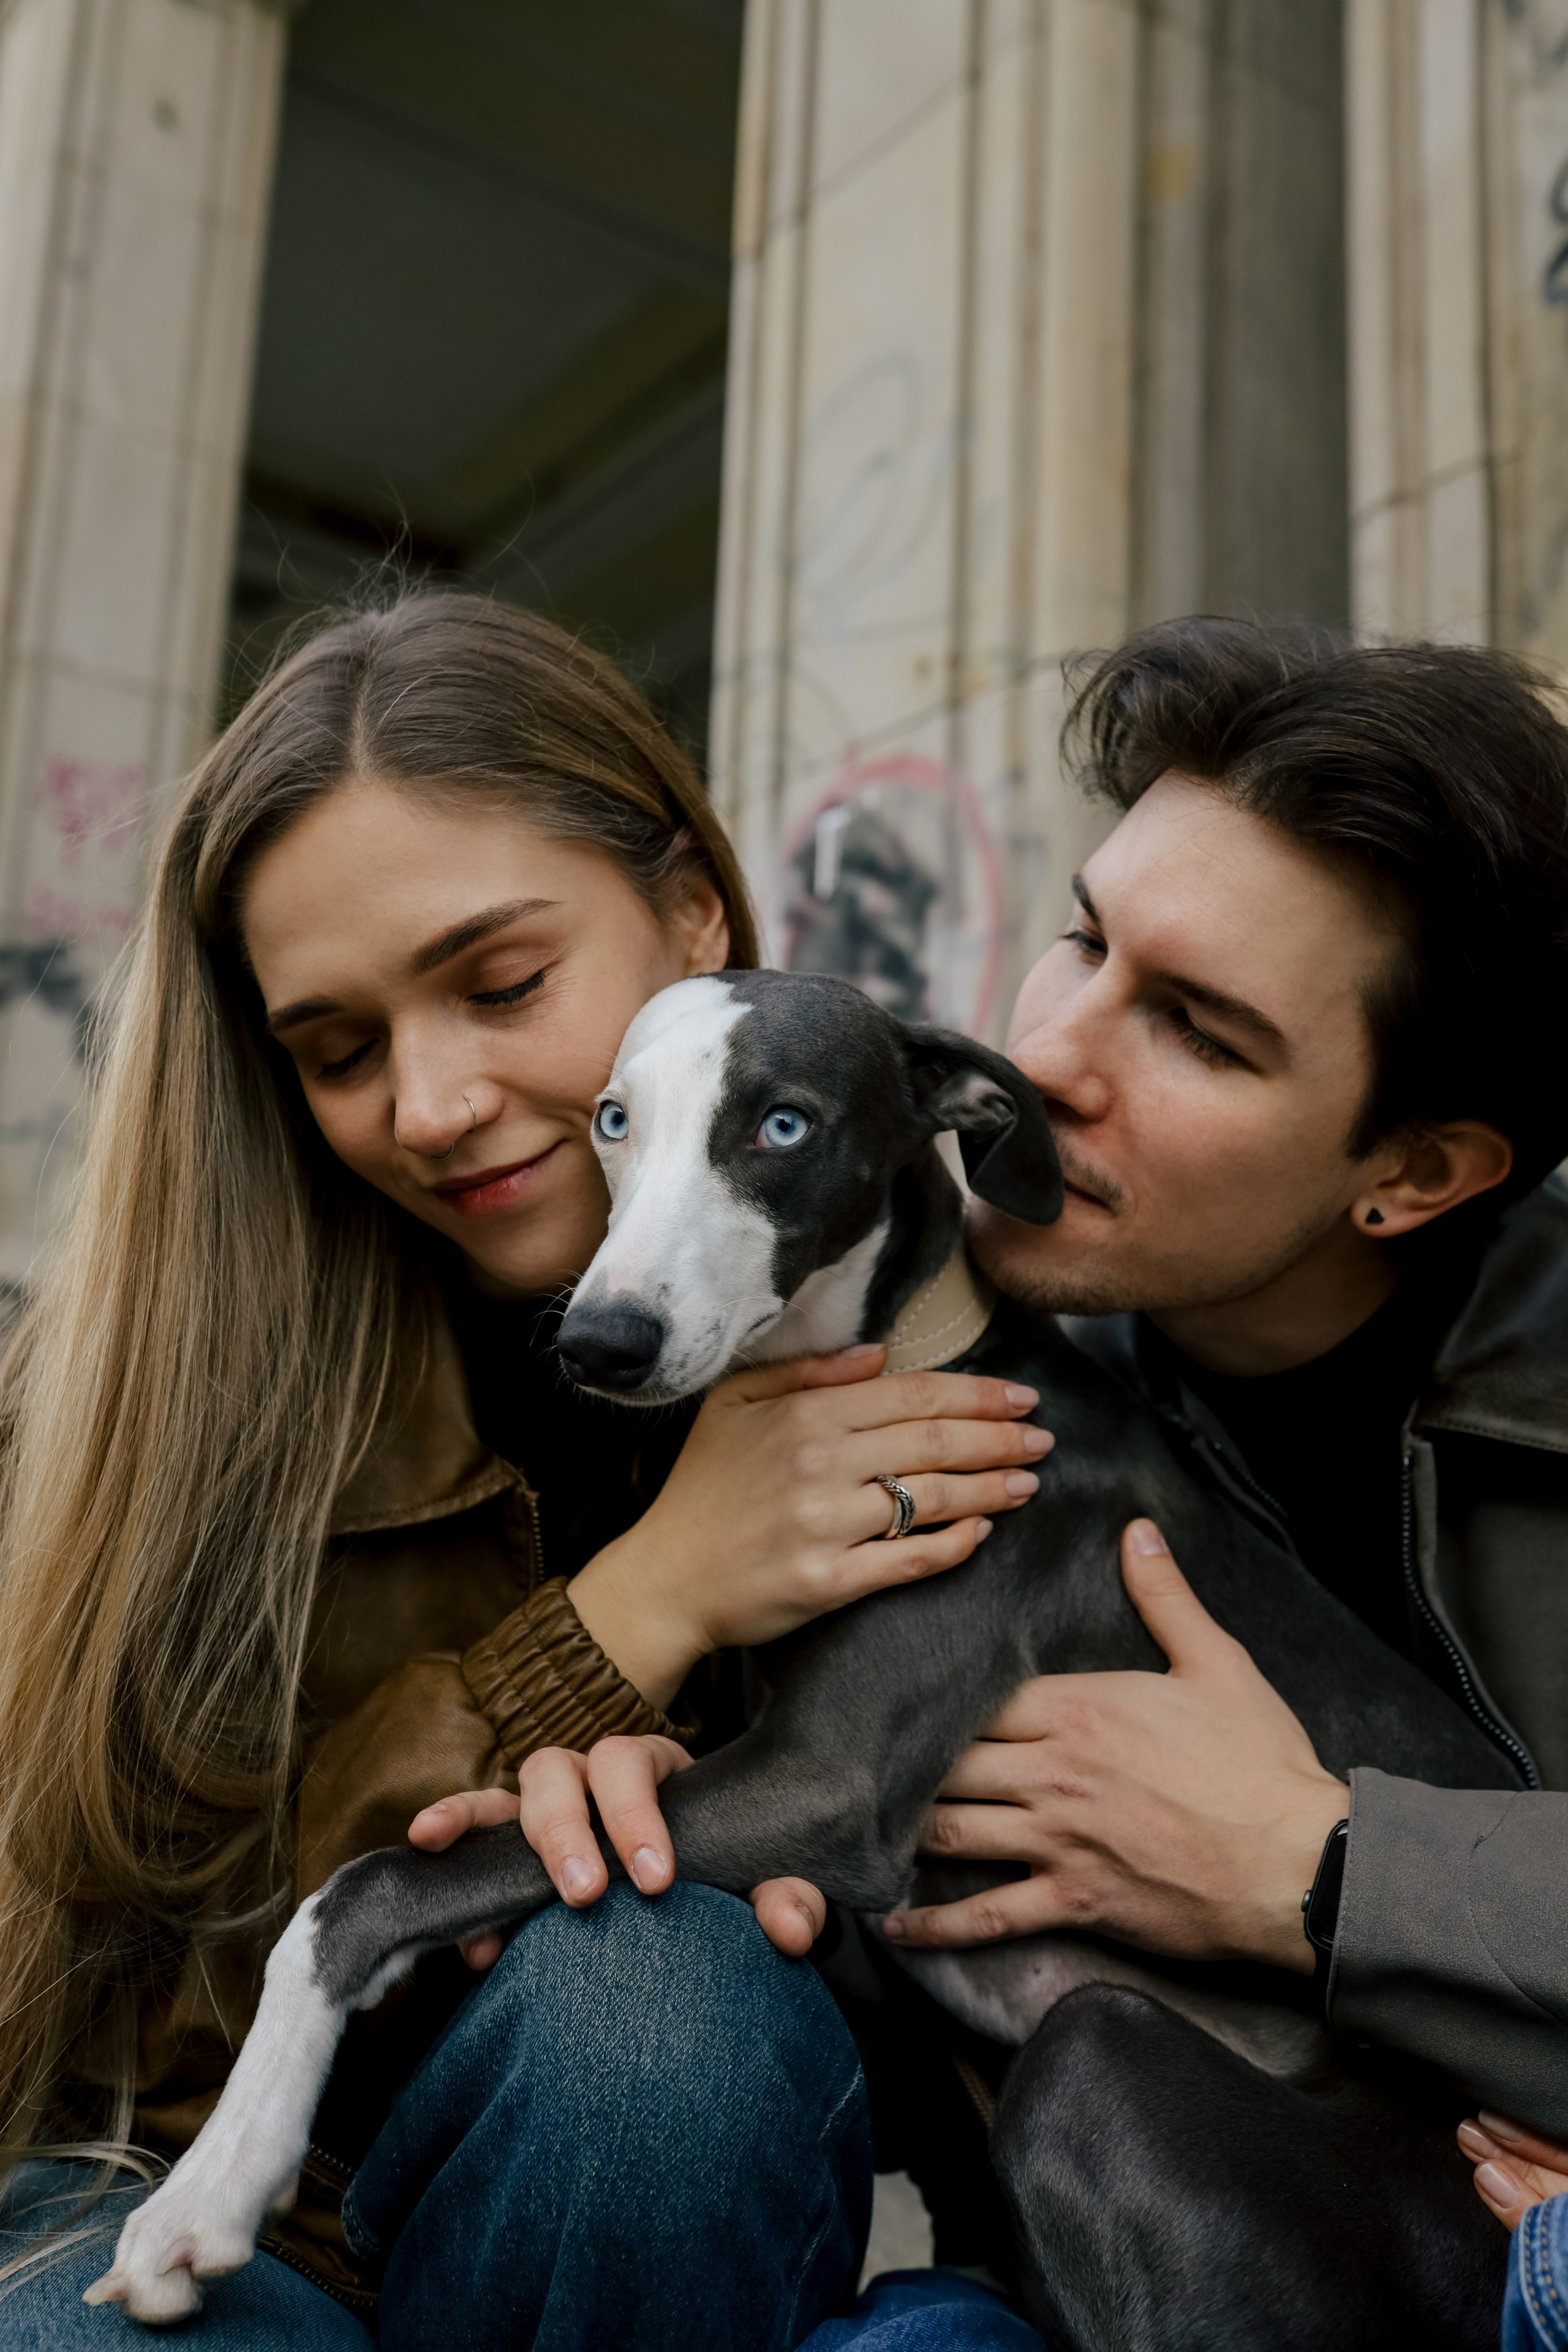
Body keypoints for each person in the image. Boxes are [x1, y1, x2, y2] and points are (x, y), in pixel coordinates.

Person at [0, 594, 1052, 2348]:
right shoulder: (126, 1396)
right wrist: (640, 1608)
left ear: (695, 918)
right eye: (336, 1050)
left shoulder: (939, 1309)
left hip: (643, 2222)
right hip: (186, 2208)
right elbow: (74, 2020)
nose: (431, 1105)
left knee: (659, 2009)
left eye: (503, 985)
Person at [508, 620, 1568, 2345]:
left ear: (1418, 1170)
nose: (1061, 1054)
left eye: (1200, 1034)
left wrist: (1314, 1863)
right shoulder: (971, 1356)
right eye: (1083, 938)